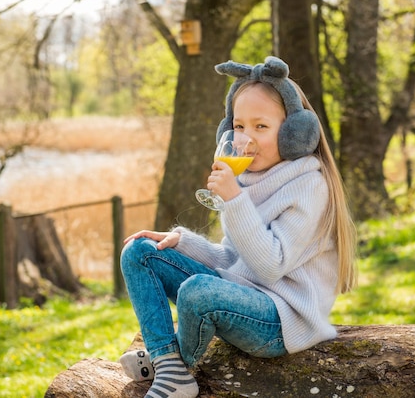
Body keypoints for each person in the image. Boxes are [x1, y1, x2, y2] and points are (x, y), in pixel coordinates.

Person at [118, 56, 357, 398]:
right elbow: (233, 258)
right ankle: (169, 364)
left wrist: (233, 198)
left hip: (280, 319)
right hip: (239, 298)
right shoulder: (249, 175)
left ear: (294, 133)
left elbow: (269, 266)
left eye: (261, 127)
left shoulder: (309, 186)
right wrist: (181, 242)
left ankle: (172, 366)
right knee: (139, 252)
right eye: (240, 126)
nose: (246, 139)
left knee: (198, 290)